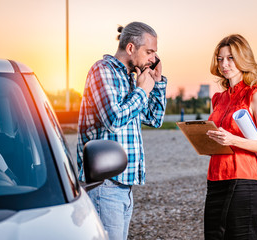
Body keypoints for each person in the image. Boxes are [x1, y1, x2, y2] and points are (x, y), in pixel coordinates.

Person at [76, 22, 167, 240]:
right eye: (149, 52)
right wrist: (142, 91)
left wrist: (157, 83)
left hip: (123, 187)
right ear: (130, 48)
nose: (153, 59)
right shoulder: (102, 70)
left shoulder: (131, 79)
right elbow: (114, 119)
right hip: (103, 185)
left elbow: (154, 119)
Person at [204, 34, 257, 239]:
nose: (224, 64)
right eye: (220, 59)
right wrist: (204, 140)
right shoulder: (218, 99)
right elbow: (221, 140)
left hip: (243, 183)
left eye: (230, 58)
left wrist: (232, 140)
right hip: (215, 181)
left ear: (243, 58)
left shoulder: (256, 95)